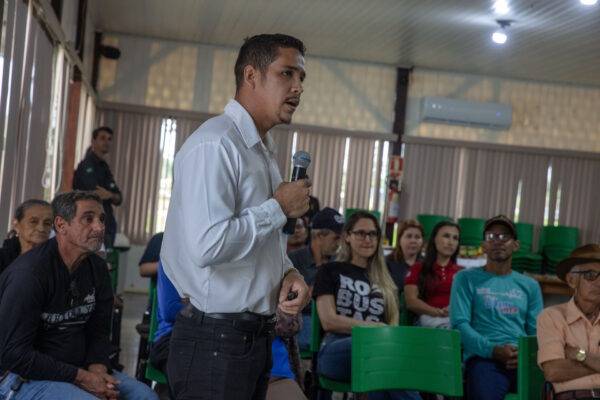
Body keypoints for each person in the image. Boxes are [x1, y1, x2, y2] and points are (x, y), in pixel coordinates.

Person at [161, 34, 311, 400]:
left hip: (252, 338)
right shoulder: (216, 145)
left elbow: (257, 241)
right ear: (251, 76)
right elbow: (208, 245)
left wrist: (288, 271)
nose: (297, 87)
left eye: (301, 78)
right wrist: (278, 207)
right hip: (214, 341)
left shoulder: (260, 151)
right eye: (287, 73)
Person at [0, 191, 157, 400]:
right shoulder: (29, 274)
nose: (99, 227)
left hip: (79, 368)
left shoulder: (98, 269)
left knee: (146, 396)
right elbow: (13, 354)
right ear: (61, 225)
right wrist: (81, 378)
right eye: (88, 219)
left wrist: (98, 370)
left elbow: (99, 332)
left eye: (102, 219)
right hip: (24, 376)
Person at [313, 211, 421, 400]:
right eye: (361, 233)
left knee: (384, 374)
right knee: (381, 354)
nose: (368, 239)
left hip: (378, 354)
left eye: (373, 234)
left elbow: (393, 326)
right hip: (336, 350)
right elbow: (329, 321)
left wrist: (380, 335)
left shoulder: (387, 278)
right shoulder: (330, 270)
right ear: (347, 236)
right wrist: (372, 328)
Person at [450, 215, 543, 400]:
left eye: (504, 236)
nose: (497, 241)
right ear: (483, 245)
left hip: (522, 360)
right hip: (483, 359)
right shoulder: (465, 279)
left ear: (515, 245)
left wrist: (526, 355)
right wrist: (492, 350)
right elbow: (459, 325)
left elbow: (536, 331)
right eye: (491, 236)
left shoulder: (530, 285)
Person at [537, 244, 600, 399]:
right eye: (590, 275)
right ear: (572, 280)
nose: (599, 282)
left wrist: (580, 355)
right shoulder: (552, 316)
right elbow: (553, 371)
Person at [288, 207, 344, 351]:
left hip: (334, 319)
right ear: (319, 236)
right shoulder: (293, 260)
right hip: (303, 318)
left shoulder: (340, 262)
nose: (339, 243)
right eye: (336, 237)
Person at [404, 221, 461, 328]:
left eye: (455, 238)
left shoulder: (462, 272)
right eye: (446, 236)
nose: (451, 242)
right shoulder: (418, 268)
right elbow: (411, 301)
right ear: (434, 239)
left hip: (455, 319)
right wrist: (436, 312)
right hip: (427, 320)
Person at [73, 126, 122, 248]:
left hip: (106, 224)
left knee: (104, 259)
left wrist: (110, 195)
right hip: (89, 225)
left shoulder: (104, 167)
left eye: (109, 139)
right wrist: (111, 195)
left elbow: (119, 198)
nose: (107, 142)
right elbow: (95, 193)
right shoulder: (86, 165)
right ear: (93, 141)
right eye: (103, 138)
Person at [0, 199, 52, 275]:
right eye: (33, 221)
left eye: (47, 223)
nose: (41, 228)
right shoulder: (2, 259)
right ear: (16, 225)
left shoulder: (56, 260)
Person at [385, 219, 424, 292]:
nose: (413, 241)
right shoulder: (387, 263)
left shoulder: (427, 264)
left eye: (417, 237)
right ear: (399, 240)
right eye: (409, 236)